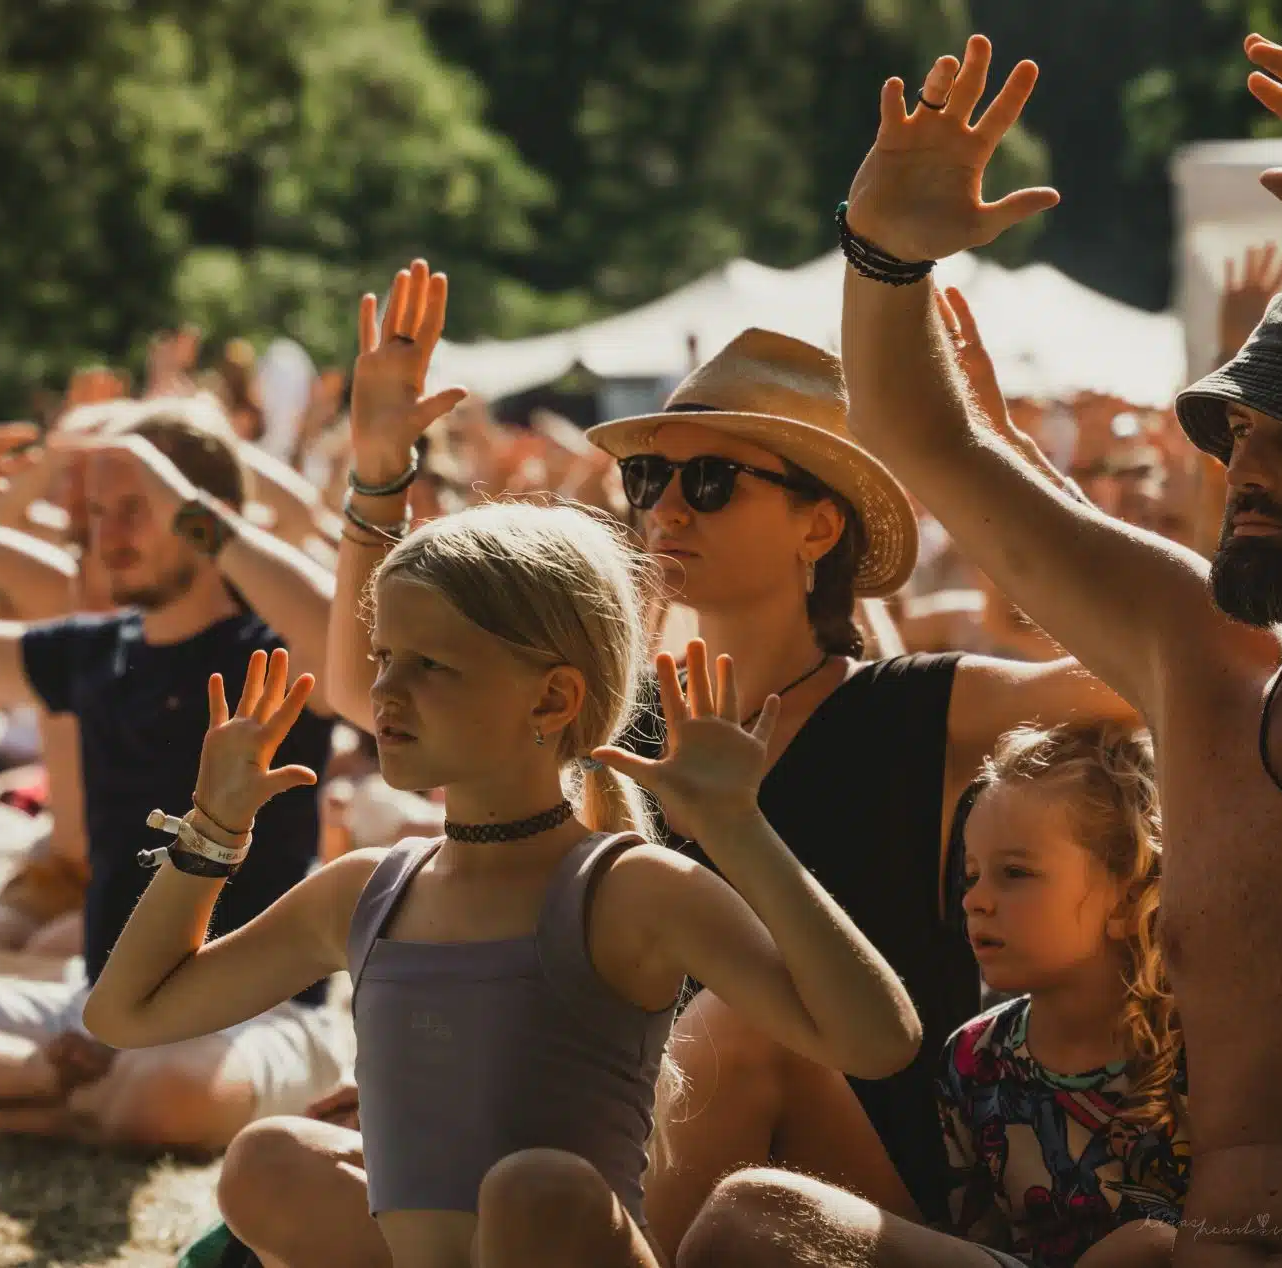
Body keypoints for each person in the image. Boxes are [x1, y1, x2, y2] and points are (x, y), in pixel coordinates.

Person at [303, 260, 1135, 1253]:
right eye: (648, 478)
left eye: (709, 480)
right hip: (623, 1142)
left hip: (862, 1172)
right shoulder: (622, 710)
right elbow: (367, 694)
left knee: (740, 1028)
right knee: (291, 1162)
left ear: (818, 524)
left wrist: (998, 462)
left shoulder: (927, 706)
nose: (665, 511)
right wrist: (378, 469)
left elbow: (1165, 672)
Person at [833, 29, 1282, 1267]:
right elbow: (927, 445)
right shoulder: (1198, 662)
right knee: (768, 1219)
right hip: (1190, 1247)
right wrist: (882, 256)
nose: (1245, 468)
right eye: (1238, 432)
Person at [89, 500, 920, 1268]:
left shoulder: (626, 890)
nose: (384, 689)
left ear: (554, 697)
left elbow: (879, 1042)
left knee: (534, 1191)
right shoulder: (368, 891)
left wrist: (739, 828)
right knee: (269, 1161)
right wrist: (211, 831)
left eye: (430, 665)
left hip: (565, 1240)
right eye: (383, 657)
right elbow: (126, 1014)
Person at [0, 400, 348, 1151]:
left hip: (259, 1018)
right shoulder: (95, 650)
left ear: (208, 516)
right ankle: (60, 1085)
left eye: (139, 508)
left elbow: (343, 644)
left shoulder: (280, 650)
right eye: (99, 511)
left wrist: (197, 508)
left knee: (172, 1095)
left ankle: (35, 1092)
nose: (109, 535)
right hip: (99, 1010)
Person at [681, 723, 1186, 1268]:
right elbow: (976, 1236)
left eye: (1015, 873)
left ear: (1128, 896)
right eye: (971, 875)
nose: (976, 901)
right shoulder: (974, 1056)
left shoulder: (1197, 1049)